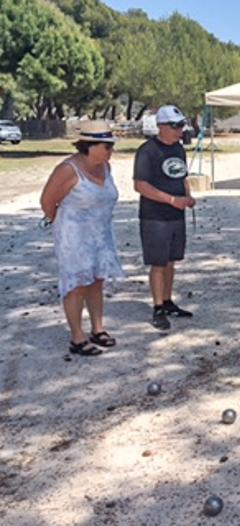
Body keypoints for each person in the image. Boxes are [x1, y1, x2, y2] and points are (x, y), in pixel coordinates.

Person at [40, 121, 125, 356]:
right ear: (89, 146)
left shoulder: (105, 167)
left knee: (97, 280)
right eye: (106, 146)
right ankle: (77, 337)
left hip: (100, 234)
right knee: (77, 285)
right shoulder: (68, 170)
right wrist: (64, 224)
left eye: (111, 146)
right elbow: (48, 202)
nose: (110, 151)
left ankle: (98, 329)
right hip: (74, 237)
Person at [133, 104, 196, 331]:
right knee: (158, 263)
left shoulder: (179, 149)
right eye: (175, 126)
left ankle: (168, 301)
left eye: (181, 126)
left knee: (171, 261)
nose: (180, 130)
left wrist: (187, 196)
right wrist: (171, 200)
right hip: (155, 216)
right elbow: (140, 185)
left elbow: (182, 175)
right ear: (161, 126)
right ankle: (158, 307)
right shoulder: (147, 151)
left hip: (176, 215)